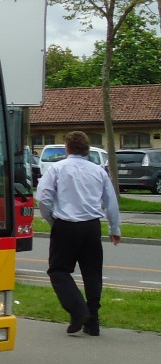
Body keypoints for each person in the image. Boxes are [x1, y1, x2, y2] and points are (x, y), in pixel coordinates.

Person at [35, 130, 121, 336]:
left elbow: (43, 197)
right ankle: (93, 321)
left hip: (66, 224)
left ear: (67, 148)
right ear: (87, 149)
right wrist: (114, 228)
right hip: (92, 226)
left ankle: (78, 310)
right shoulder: (98, 171)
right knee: (92, 273)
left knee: (58, 270)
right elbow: (110, 201)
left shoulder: (57, 168)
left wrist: (51, 219)